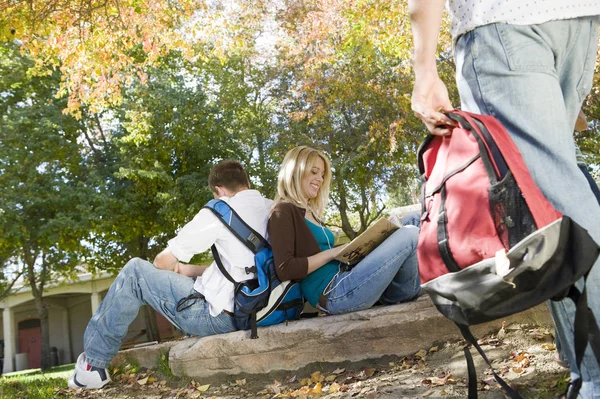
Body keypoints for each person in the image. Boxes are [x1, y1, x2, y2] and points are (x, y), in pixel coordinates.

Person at [408, 1, 600, 395]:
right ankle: (584, 373)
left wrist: (424, 67)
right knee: (548, 202)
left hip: (500, 24)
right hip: (577, 23)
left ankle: (595, 380)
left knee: (559, 207)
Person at [68, 160, 273, 389]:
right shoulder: (271, 206)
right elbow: (246, 271)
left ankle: (92, 367)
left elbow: (162, 261)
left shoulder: (221, 210)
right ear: (247, 182)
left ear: (219, 190)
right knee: (174, 278)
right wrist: (188, 271)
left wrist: (169, 264)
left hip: (226, 317)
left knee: (135, 271)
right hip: (264, 308)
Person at [267, 146, 421, 316]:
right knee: (410, 233)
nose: (320, 179)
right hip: (335, 293)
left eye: (322, 174)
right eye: (314, 172)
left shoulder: (310, 212)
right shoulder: (283, 211)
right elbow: (285, 269)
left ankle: (417, 282)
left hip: (349, 276)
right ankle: (405, 292)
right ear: (295, 172)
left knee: (414, 218)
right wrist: (333, 253)